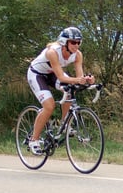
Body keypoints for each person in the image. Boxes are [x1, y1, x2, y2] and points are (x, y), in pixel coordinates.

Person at [27, 26, 95, 155]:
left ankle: (65, 124)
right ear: (64, 42)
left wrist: (87, 80)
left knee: (70, 90)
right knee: (49, 106)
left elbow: (78, 78)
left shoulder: (77, 55)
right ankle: (34, 140)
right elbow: (61, 77)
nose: (76, 45)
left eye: (79, 42)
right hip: (37, 74)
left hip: (51, 74)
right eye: (73, 42)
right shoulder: (52, 52)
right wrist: (77, 80)